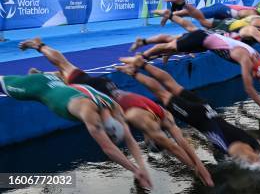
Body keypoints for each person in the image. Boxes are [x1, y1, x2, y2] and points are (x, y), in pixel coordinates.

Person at [19, 38, 214, 186]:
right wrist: (196, 171)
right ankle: (41, 56)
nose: (145, 142)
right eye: (150, 143)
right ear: (152, 139)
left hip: (110, 87)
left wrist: (200, 166)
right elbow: (173, 147)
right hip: (101, 94)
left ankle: (43, 61)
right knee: (67, 72)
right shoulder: (140, 121)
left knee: (67, 68)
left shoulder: (164, 114)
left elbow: (180, 143)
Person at [0, 71, 152, 188]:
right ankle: (34, 75)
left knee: (55, 81)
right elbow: (108, 149)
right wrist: (135, 170)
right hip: (37, 86)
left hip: (56, 80)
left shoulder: (114, 107)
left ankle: (36, 73)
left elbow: (130, 139)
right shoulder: (90, 114)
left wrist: (142, 168)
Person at [117, 57, 260, 164]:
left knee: (172, 84)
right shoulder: (235, 149)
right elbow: (252, 158)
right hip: (196, 116)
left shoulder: (254, 144)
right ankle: (134, 72)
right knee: (162, 93)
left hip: (207, 109)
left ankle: (142, 63)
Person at [129, 16, 260, 119]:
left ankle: (147, 46)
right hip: (203, 39)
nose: (253, 75)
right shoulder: (245, 58)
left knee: (173, 44)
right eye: (253, 74)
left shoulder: (257, 56)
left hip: (210, 42)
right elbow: (248, 89)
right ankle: (142, 54)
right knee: (170, 45)